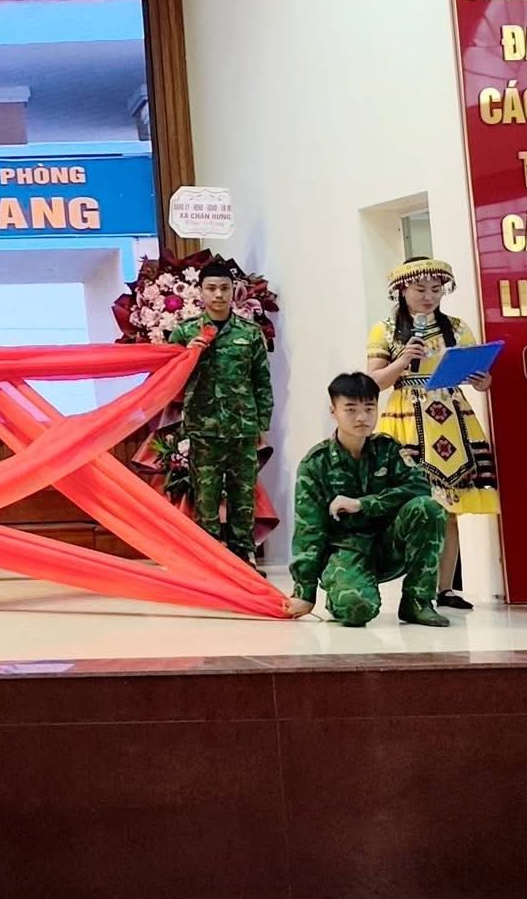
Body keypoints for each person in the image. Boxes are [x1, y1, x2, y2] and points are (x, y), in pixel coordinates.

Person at [366, 256, 499, 610]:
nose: (428, 297)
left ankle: (445, 588)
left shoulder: (457, 327)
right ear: (401, 290)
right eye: (420, 289)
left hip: (451, 419)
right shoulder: (385, 330)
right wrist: (401, 361)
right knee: (413, 504)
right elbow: (374, 381)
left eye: (435, 290)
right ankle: (413, 585)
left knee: (449, 507)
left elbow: (481, 379)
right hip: (406, 418)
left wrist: (482, 380)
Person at [286, 373, 449, 628]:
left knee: (429, 508)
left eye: (369, 408)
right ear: (333, 411)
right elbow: (309, 531)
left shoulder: (388, 449)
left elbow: (419, 488)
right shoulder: (316, 464)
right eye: (350, 409)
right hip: (346, 551)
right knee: (356, 610)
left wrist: (363, 504)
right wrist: (304, 593)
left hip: (388, 545)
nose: (361, 417)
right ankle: (340, 591)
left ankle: (417, 601)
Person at [165, 257, 273, 561]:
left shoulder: (250, 333)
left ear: (233, 290)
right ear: (200, 291)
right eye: (211, 288)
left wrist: (261, 424)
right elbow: (168, 382)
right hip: (204, 430)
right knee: (206, 501)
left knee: (243, 499)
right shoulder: (185, 333)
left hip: (242, 430)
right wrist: (187, 357)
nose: (218, 295)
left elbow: (261, 381)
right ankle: (211, 564)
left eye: (224, 288)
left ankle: (243, 561)